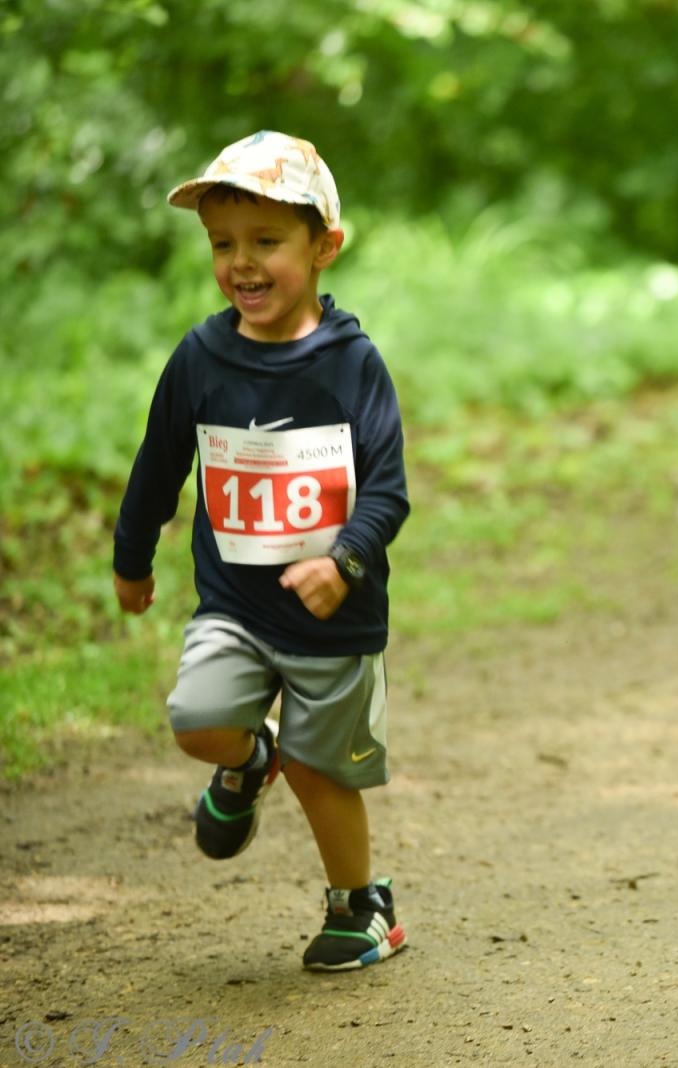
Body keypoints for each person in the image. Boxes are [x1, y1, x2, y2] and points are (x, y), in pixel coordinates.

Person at [112, 130, 410, 972]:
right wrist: (132, 558)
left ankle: (362, 908)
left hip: (335, 616)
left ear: (324, 248)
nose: (241, 263)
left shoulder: (352, 365)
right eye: (222, 244)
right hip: (234, 608)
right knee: (199, 718)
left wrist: (344, 560)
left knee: (325, 773)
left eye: (266, 242)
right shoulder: (202, 358)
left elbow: (388, 491)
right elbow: (158, 464)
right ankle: (247, 762)